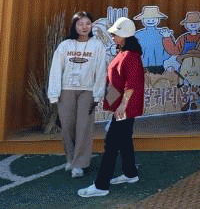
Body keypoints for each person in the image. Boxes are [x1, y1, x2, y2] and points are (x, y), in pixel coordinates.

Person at [78, 17, 145, 198]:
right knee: (124, 141)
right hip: (122, 107)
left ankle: (101, 185)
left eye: (116, 34)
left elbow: (131, 84)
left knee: (112, 144)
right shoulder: (125, 53)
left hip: (124, 108)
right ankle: (130, 173)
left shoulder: (130, 56)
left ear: (125, 36)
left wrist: (122, 106)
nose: (113, 36)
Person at [47, 11, 107, 179]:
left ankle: (79, 164)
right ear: (74, 26)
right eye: (80, 24)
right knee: (67, 126)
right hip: (66, 90)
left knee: (83, 127)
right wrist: (54, 93)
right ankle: (71, 158)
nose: (84, 27)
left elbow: (101, 71)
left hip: (87, 90)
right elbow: (56, 69)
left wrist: (98, 95)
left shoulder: (97, 45)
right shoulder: (65, 45)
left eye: (88, 23)